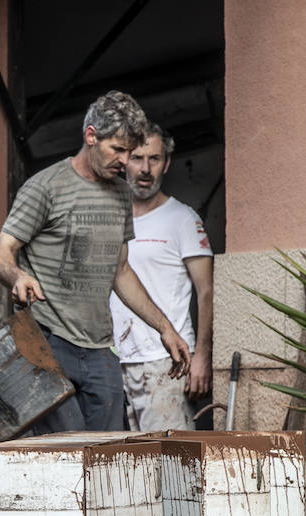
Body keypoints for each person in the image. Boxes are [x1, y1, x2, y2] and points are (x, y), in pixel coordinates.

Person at [0, 90, 190, 433]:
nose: (125, 161)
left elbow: (121, 271)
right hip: (49, 342)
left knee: (105, 456)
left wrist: (165, 329)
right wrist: (17, 276)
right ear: (91, 136)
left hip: (101, 349)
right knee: (66, 454)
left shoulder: (121, 193)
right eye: (118, 149)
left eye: (130, 151)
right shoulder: (45, 188)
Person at [108, 125, 213, 430]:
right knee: (127, 469)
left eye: (154, 159)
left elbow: (206, 291)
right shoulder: (114, 218)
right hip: (117, 362)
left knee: (171, 465)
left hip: (167, 363)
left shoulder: (182, 219)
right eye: (137, 158)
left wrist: (202, 356)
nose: (145, 168)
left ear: (166, 163)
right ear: (124, 161)